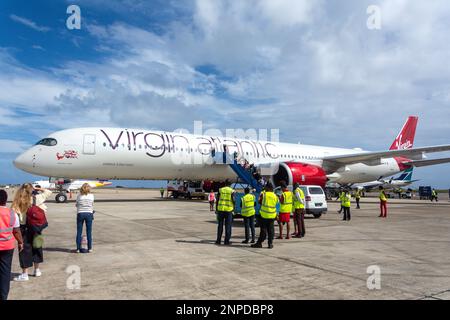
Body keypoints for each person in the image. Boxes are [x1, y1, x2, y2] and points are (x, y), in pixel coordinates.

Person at [12, 183, 51, 282]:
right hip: (36, 228)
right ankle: (36, 270)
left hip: (23, 228)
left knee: (24, 249)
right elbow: (48, 192)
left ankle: (25, 274)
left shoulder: (18, 200)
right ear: (31, 189)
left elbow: (13, 213)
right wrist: (38, 188)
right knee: (37, 247)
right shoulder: (36, 198)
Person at [0, 190, 24, 300]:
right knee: (5, 272)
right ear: (5, 200)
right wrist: (20, 242)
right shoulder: (12, 213)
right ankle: (3, 296)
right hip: (7, 247)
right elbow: (16, 231)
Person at [252, 182, 279, 249]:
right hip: (272, 215)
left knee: (263, 230)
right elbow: (277, 203)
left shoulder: (263, 194)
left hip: (264, 215)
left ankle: (259, 243)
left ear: (267, 187)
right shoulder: (275, 195)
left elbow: (259, 201)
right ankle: (270, 243)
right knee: (271, 230)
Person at [76, 183, 95, 253]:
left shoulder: (79, 196)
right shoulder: (92, 196)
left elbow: (77, 204)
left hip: (80, 213)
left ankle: (78, 249)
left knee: (79, 232)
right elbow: (92, 204)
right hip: (89, 214)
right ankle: (89, 248)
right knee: (89, 232)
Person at [215, 180, 235, 245]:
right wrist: (234, 208)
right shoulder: (231, 191)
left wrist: (216, 209)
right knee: (228, 226)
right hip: (228, 210)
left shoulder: (220, 190)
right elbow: (233, 200)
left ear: (225, 184)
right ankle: (226, 241)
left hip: (220, 209)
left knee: (220, 226)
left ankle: (218, 240)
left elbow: (217, 200)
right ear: (230, 184)